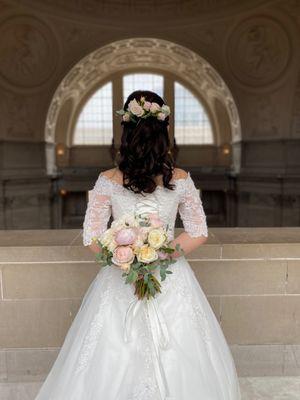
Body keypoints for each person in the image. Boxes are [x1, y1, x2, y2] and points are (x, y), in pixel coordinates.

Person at [35, 90, 241, 400]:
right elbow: (198, 231)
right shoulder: (181, 179)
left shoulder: (107, 179)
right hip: (171, 277)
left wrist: (123, 258)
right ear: (164, 132)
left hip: (119, 277)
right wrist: (160, 255)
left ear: (126, 132)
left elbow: (90, 234)